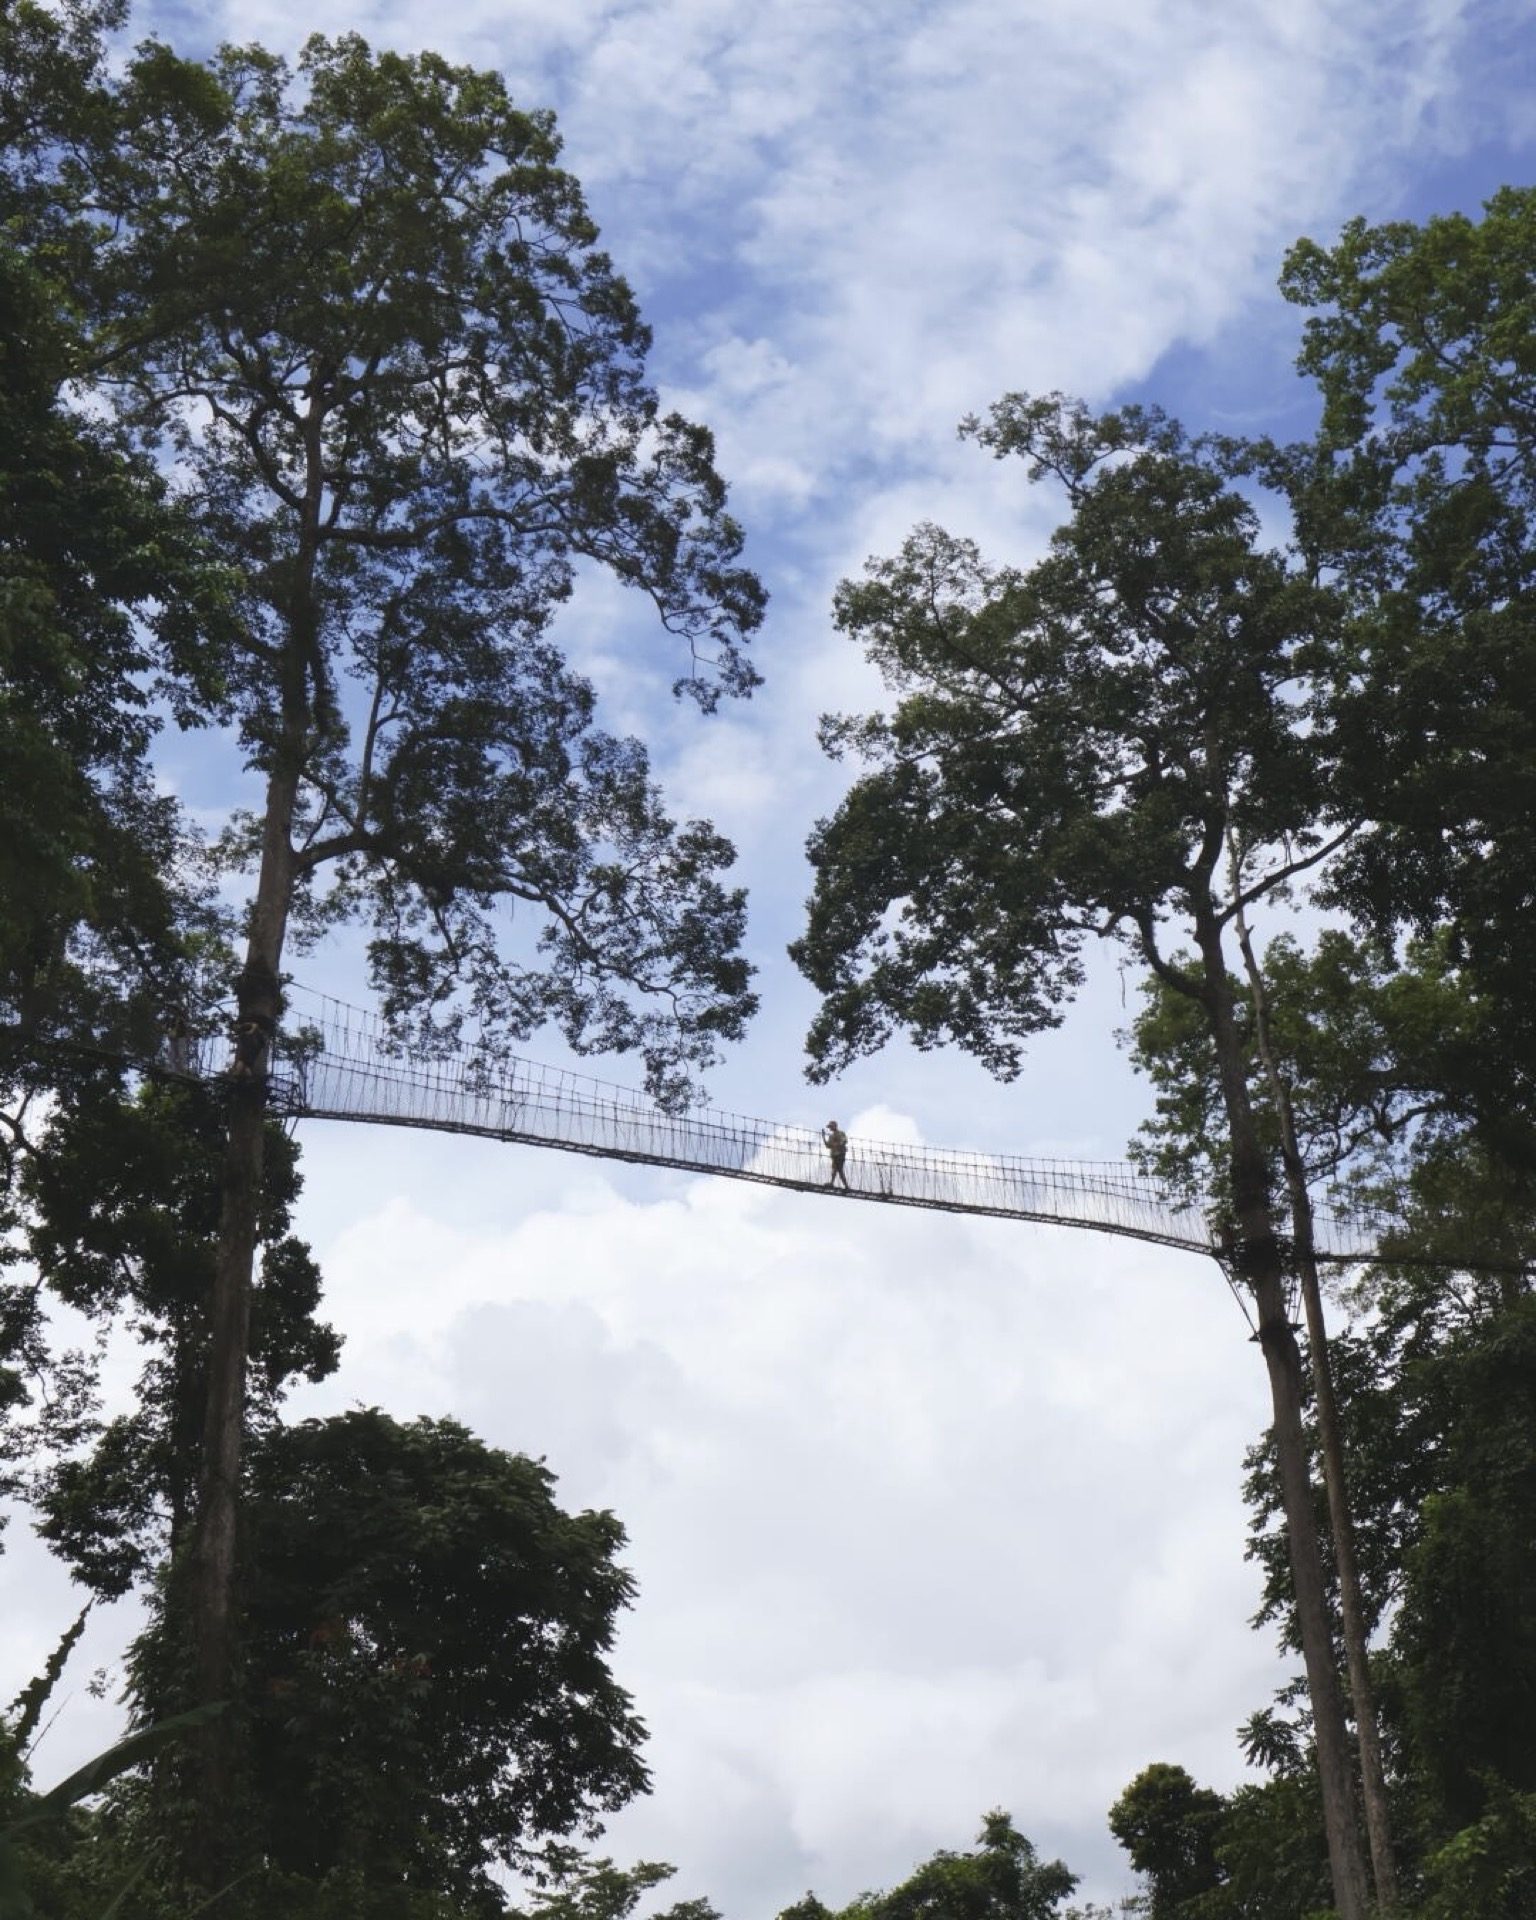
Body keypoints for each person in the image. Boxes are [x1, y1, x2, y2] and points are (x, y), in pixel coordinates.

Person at [822, 1119, 850, 1190]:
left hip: (840, 1154)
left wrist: (838, 1144)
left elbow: (844, 1141)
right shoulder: (831, 1136)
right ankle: (833, 1183)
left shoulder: (841, 1133)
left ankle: (846, 1186)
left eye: (831, 1126)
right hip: (834, 1155)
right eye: (829, 1127)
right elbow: (828, 1146)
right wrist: (823, 1137)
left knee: (839, 1170)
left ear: (835, 1126)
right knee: (835, 1169)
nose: (830, 1128)